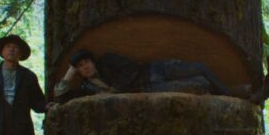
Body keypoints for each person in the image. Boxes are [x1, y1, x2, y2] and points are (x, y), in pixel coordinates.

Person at [53, 50, 233, 102]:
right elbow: (61, 97)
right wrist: (69, 73)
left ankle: (230, 93)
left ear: (92, 61)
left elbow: (131, 68)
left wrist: (114, 90)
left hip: (155, 70)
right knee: (199, 85)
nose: (85, 67)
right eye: (80, 66)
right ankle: (232, 90)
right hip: (150, 88)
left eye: (87, 62)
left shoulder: (107, 60)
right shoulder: (87, 87)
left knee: (199, 68)